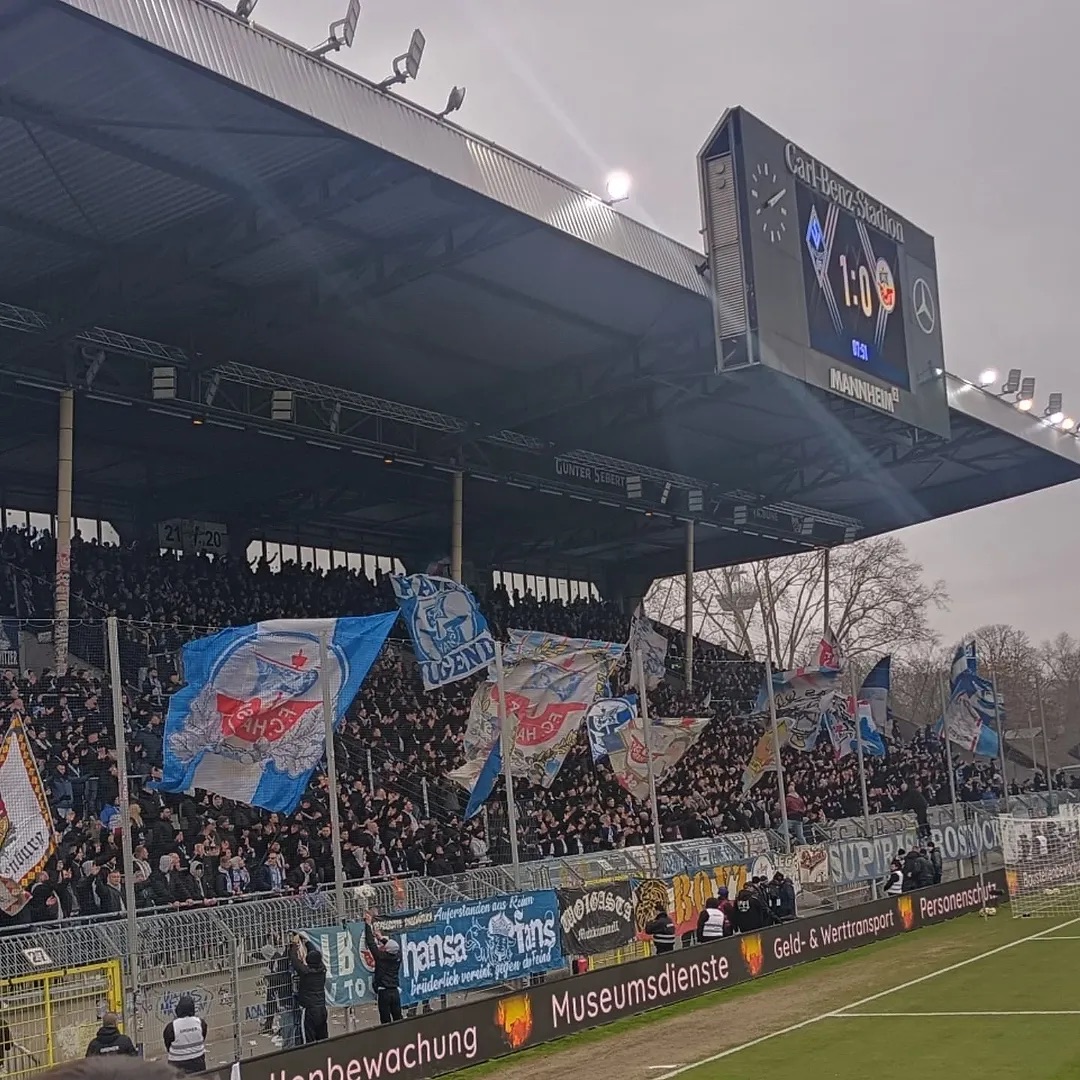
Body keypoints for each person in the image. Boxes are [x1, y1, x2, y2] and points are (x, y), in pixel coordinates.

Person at [363, 911, 403, 1024]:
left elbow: (370, 943)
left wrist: (368, 924)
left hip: (384, 992)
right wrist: (381, 938)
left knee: (385, 1021)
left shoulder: (380, 958)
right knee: (398, 1018)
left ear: (386, 949)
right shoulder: (397, 957)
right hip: (395, 991)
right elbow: (393, 947)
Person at [290, 935, 329, 1043]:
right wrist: (307, 942)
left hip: (310, 1010)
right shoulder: (322, 970)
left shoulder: (305, 972)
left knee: (309, 1039)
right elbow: (316, 955)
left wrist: (294, 945)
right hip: (322, 1008)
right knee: (323, 1037)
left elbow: (294, 960)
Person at [163, 994, 207, 1074]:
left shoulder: (171, 1026)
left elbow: (167, 1044)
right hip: (198, 1062)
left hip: (177, 1064)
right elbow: (202, 1037)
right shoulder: (200, 1023)